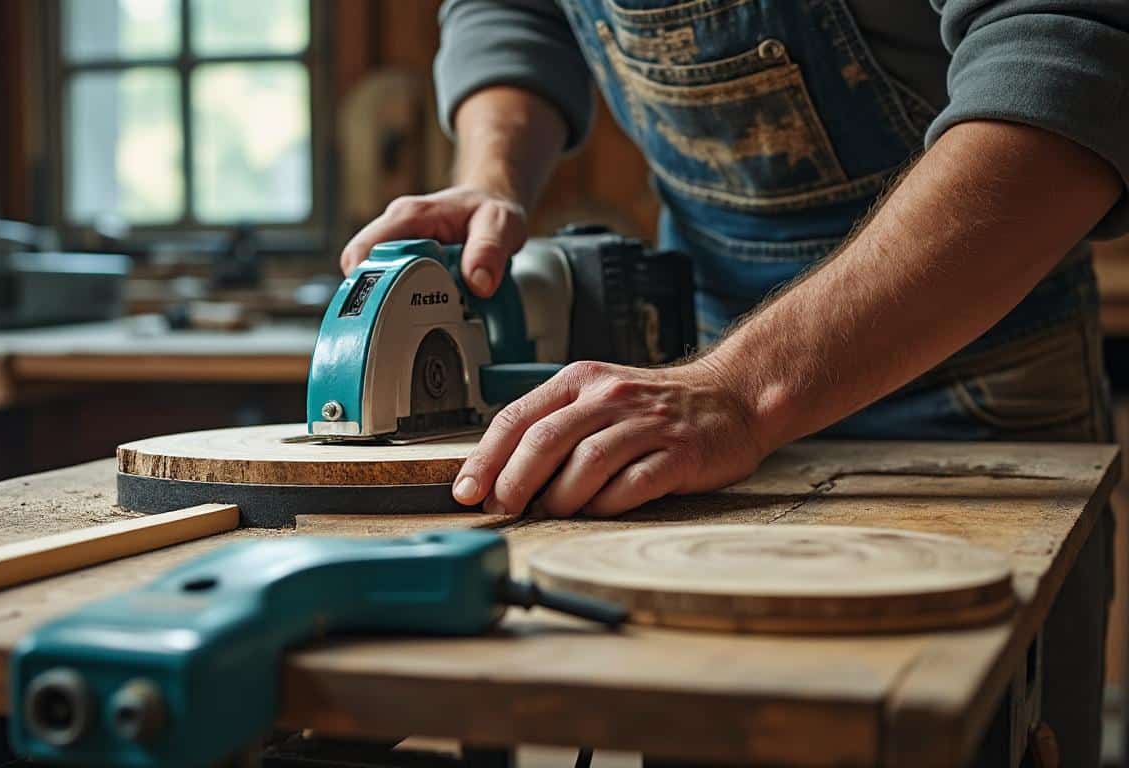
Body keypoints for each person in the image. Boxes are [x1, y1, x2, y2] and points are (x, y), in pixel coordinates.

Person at [340, 1, 1129, 762]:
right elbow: (516, 10)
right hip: (699, 382)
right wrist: (491, 177)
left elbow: (1071, 64)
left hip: (973, 374)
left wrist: (745, 391)